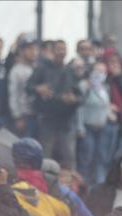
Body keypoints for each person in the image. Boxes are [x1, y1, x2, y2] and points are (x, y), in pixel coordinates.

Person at [29, 39, 80, 168]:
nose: (61, 52)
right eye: (58, 49)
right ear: (52, 51)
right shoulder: (42, 68)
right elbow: (28, 87)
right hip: (47, 118)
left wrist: (74, 99)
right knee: (45, 154)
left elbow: (79, 94)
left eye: (63, 49)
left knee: (69, 156)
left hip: (66, 120)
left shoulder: (70, 71)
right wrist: (38, 89)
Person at [77, 61, 117, 186]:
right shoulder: (84, 86)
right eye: (97, 71)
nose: (100, 74)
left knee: (101, 159)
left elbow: (104, 105)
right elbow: (79, 108)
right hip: (87, 128)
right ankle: (83, 186)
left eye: (103, 72)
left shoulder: (104, 88)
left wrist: (110, 113)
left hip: (102, 127)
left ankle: (98, 187)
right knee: (86, 159)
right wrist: (80, 128)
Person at [8, 40, 39, 138]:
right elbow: (13, 95)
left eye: (35, 49)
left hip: (38, 114)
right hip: (25, 116)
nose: (33, 52)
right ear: (22, 51)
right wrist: (17, 117)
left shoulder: (38, 69)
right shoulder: (16, 70)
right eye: (30, 49)